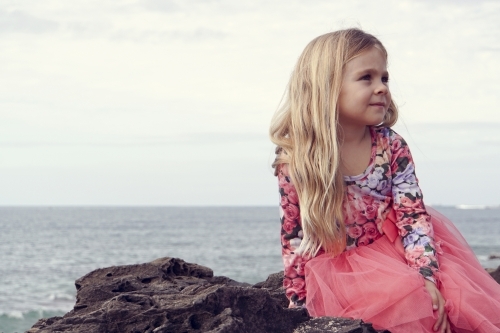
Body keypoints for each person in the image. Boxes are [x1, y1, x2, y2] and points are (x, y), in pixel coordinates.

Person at [269, 28, 500, 333]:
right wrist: (297, 304)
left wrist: (427, 278)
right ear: (326, 87)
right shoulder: (297, 158)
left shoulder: (391, 145)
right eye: (366, 77)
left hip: (405, 252)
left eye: (384, 78)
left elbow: (413, 216)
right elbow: (294, 236)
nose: (381, 88)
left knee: (441, 303)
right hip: (343, 271)